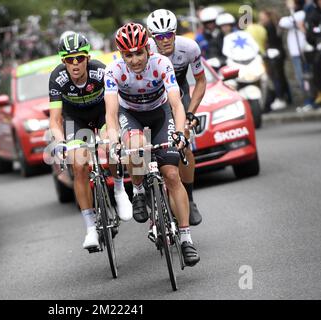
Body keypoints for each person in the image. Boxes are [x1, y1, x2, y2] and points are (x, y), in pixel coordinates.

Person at [104, 23, 200, 266]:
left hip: (161, 113)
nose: (135, 60)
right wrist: (115, 140)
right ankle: (137, 190)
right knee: (136, 148)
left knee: (171, 173)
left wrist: (179, 133)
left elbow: (177, 105)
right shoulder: (113, 70)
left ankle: (186, 238)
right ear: (121, 54)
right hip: (131, 114)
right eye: (128, 55)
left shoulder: (161, 64)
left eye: (139, 53)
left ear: (148, 49)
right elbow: (112, 113)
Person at [49, 32, 132, 250]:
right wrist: (59, 142)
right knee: (79, 165)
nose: (75, 63)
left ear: (87, 57)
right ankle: (90, 228)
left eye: (79, 58)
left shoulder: (100, 71)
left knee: (112, 145)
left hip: (102, 114)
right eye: (69, 59)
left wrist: (111, 134)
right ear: (63, 61)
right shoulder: (57, 78)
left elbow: (112, 106)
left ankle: (119, 190)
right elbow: (55, 120)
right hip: (75, 121)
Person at [146, 9, 207, 226]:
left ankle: (188, 198)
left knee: (184, 143)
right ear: (153, 38)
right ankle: (148, 191)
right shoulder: (145, 50)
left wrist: (190, 111)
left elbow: (200, 81)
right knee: (143, 144)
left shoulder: (189, 47)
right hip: (152, 94)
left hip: (178, 91)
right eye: (159, 37)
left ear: (175, 33)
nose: (165, 41)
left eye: (169, 35)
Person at [279, 0, 316, 110]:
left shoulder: (301, 14)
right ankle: (308, 100)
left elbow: (284, 22)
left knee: (306, 78)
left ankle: (311, 100)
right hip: (296, 53)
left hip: (303, 52)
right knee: (301, 78)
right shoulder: (293, 16)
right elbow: (282, 22)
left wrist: (291, 11)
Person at [260, 10, 293, 111]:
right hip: (279, 53)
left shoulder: (269, 26)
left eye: (262, 17)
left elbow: (269, 40)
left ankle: (280, 97)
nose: (261, 19)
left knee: (276, 77)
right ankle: (288, 98)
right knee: (281, 76)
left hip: (274, 54)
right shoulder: (275, 24)